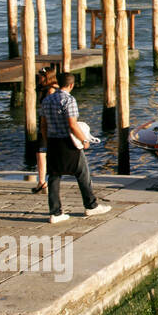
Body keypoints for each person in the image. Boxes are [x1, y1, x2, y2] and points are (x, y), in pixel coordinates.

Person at [38, 72, 111, 224]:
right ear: (71, 85)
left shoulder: (47, 100)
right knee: (82, 173)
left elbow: (43, 126)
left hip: (52, 141)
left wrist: (47, 141)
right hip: (68, 142)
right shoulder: (69, 100)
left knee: (54, 176)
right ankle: (91, 205)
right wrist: (84, 139)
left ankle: (55, 212)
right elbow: (72, 124)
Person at [32, 69, 59, 193]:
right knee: (42, 152)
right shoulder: (50, 88)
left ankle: (43, 182)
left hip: (47, 124)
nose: (39, 79)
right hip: (47, 124)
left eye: (41, 77)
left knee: (41, 152)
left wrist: (45, 126)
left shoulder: (50, 90)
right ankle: (42, 181)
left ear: (46, 77)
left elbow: (49, 108)